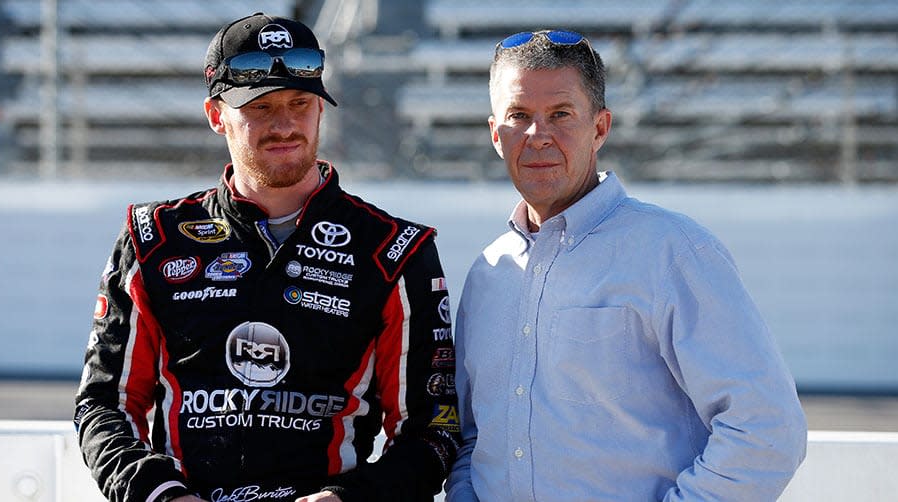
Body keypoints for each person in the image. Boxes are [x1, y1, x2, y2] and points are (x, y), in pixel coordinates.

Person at [74, 13, 459, 502]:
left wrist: (350, 499)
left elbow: (435, 429)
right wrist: (163, 495)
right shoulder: (153, 240)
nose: (285, 125)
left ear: (321, 110)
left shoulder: (395, 252)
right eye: (260, 106)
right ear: (217, 116)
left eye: (300, 103)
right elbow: (104, 405)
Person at [445, 29, 807, 501]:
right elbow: (476, 438)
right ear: (496, 134)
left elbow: (766, 428)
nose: (538, 136)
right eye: (519, 116)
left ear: (599, 128)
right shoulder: (488, 273)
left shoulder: (672, 252)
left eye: (560, 114)